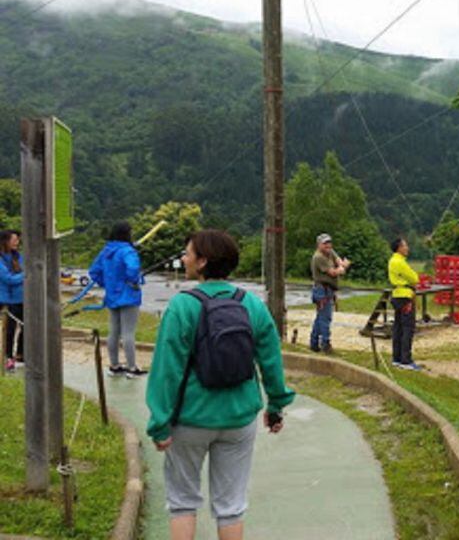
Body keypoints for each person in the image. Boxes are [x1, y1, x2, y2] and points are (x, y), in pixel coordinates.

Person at [145, 229, 295, 540]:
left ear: (202, 262)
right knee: (231, 506)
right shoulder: (252, 305)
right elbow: (271, 362)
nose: (184, 258)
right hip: (239, 419)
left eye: (188, 253)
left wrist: (160, 423)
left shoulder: (182, 307)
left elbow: (166, 371)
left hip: (190, 420)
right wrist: (276, 406)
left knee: (183, 503)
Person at [89, 222, 146, 378]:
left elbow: (94, 271)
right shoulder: (128, 251)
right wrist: (132, 281)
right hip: (128, 295)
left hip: (112, 295)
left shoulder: (106, 250)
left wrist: (106, 283)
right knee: (128, 332)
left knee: (114, 331)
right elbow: (133, 269)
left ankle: (114, 366)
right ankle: (132, 368)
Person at [310, 233, 350, 354]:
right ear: (319, 245)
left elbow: (338, 261)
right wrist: (342, 268)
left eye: (329, 242)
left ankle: (314, 343)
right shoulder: (318, 257)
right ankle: (325, 344)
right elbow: (333, 272)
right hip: (322, 290)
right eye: (325, 243)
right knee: (325, 318)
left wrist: (341, 266)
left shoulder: (330, 252)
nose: (328, 245)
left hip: (328, 289)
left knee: (320, 317)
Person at [388, 238, 421, 371]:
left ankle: (397, 358)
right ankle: (405, 360)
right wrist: (414, 277)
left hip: (397, 295)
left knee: (398, 328)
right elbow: (414, 278)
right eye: (405, 246)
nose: (407, 248)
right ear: (399, 248)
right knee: (408, 328)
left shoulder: (392, 260)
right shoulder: (400, 262)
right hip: (405, 296)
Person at [0, 230, 24, 371]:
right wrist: (26, 275)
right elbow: (8, 279)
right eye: (14, 240)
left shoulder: (17, 256)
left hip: (21, 297)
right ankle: (7, 356)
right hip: (7, 299)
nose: (17, 242)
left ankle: (21, 354)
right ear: (5, 241)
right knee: (9, 329)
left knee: (25, 327)